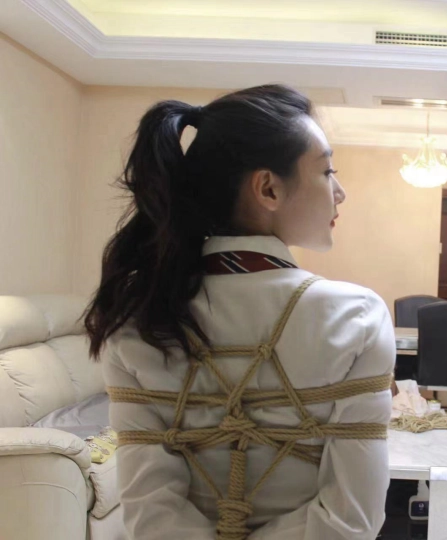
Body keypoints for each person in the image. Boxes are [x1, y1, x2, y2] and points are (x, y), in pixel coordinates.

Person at [84, 85, 395, 540]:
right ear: (268, 188)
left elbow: (150, 514)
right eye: (327, 171)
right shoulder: (358, 316)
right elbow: (352, 520)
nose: (340, 192)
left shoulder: (136, 318)